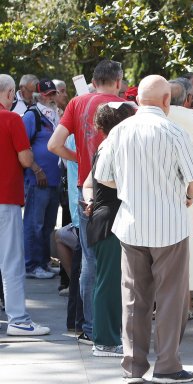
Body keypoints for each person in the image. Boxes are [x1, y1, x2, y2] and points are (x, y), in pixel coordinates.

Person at [94, 75, 193, 383]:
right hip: (170, 224)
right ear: (167, 100)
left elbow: (102, 176)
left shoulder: (118, 131)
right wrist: (185, 196)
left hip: (131, 225)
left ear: (139, 99)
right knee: (171, 298)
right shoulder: (174, 132)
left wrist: (129, 188)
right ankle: (168, 365)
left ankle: (133, 367)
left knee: (133, 299)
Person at [47, 59, 125, 346]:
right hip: (121, 189)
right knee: (122, 258)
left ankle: (91, 326)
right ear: (118, 81)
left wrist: (80, 159)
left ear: (93, 80)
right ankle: (114, 326)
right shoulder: (125, 108)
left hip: (87, 188)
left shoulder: (77, 104)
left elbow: (53, 145)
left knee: (90, 260)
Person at [82, 102, 136, 357]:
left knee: (110, 282)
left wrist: (92, 201)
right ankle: (104, 341)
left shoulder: (107, 146)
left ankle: (108, 337)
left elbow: (88, 184)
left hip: (107, 220)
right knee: (109, 283)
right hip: (110, 222)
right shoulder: (113, 147)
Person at [0, 73, 51, 336]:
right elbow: (24, 158)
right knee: (11, 261)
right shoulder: (11, 119)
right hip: (5, 198)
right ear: (10, 94)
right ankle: (18, 319)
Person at [22, 79, 61, 280]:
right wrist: (37, 170)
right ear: (39, 96)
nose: (52, 97)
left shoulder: (54, 115)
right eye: (48, 94)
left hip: (53, 180)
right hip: (38, 180)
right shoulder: (32, 116)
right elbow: (22, 147)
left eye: (53, 93)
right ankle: (31, 265)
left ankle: (43, 263)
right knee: (33, 224)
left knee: (47, 225)